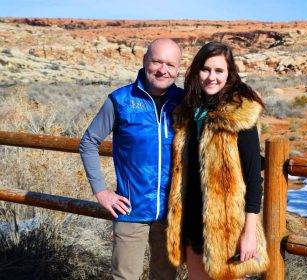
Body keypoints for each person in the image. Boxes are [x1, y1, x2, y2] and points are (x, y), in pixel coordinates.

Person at [79, 38, 183, 280]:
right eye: (157, 61)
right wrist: (101, 192)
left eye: (170, 64)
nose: (162, 70)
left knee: (166, 277)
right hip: (131, 210)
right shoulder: (120, 100)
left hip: (172, 212)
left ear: (178, 69)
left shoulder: (185, 101)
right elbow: (88, 142)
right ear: (145, 61)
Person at [166, 42, 269, 280]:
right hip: (193, 223)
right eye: (205, 69)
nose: (211, 77)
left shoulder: (238, 115)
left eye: (219, 71)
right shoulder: (188, 114)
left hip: (227, 228)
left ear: (229, 74)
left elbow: (254, 179)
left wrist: (249, 233)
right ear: (196, 72)